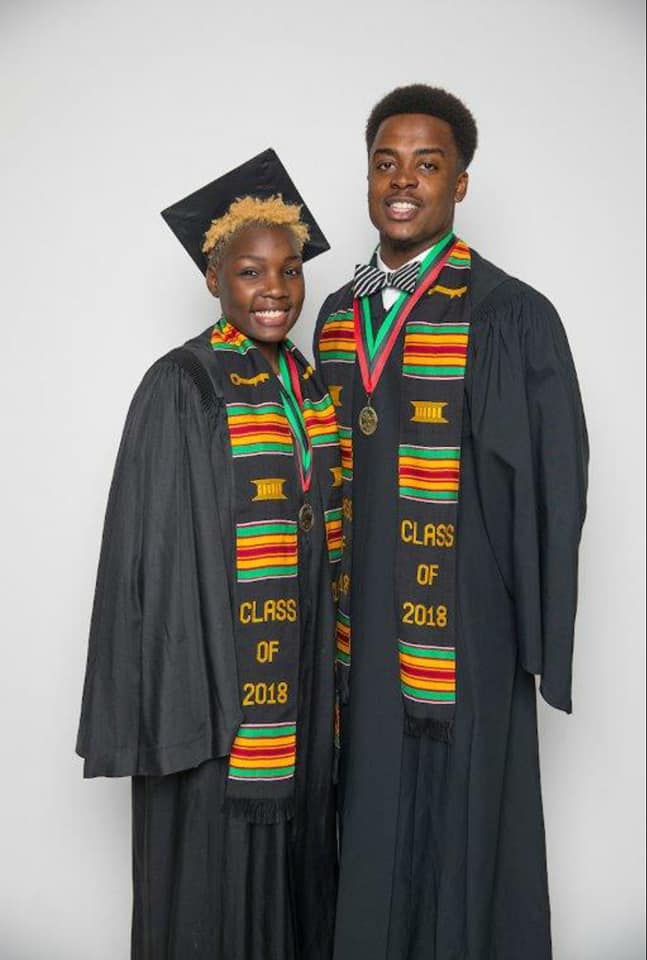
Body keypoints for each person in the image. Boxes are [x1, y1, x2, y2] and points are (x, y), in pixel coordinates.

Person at [313, 86, 589, 960]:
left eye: (426, 165)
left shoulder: (505, 314)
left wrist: (526, 636)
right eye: (385, 164)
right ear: (367, 178)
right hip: (357, 629)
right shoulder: (335, 314)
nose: (403, 181)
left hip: (460, 630)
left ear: (459, 184)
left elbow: (553, 480)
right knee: (366, 818)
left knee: (460, 826)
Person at [77, 150, 340, 960]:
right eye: (250, 271)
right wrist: (198, 698)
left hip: (302, 682)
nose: (274, 288)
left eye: (289, 270)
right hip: (218, 692)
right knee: (212, 885)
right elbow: (155, 560)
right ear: (212, 279)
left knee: (298, 873)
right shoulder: (185, 385)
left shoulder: (309, 387)